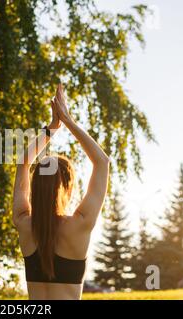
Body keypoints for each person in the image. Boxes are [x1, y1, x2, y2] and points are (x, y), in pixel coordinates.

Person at [12, 83, 110, 300]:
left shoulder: (23, 222)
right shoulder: (80, 223)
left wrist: (52, 127)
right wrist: (67, 121)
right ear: (66, 187)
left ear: (35, 186)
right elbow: (102, 163)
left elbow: (23, 163)